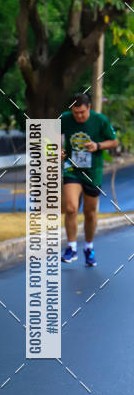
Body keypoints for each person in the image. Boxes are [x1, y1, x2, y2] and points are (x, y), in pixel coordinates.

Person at [60, 93, 117, 267]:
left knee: (90, 213)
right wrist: (57, 149)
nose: (79, 116)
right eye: (76, 113)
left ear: (89, 108)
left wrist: (97, 146)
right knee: (70, 208)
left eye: (82, 113)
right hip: (72, 169)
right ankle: (71, 247)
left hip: (93, 171)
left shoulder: (100, 120)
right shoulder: (65, 119)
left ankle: (89, 247)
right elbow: (49, 136)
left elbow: (113, 142)